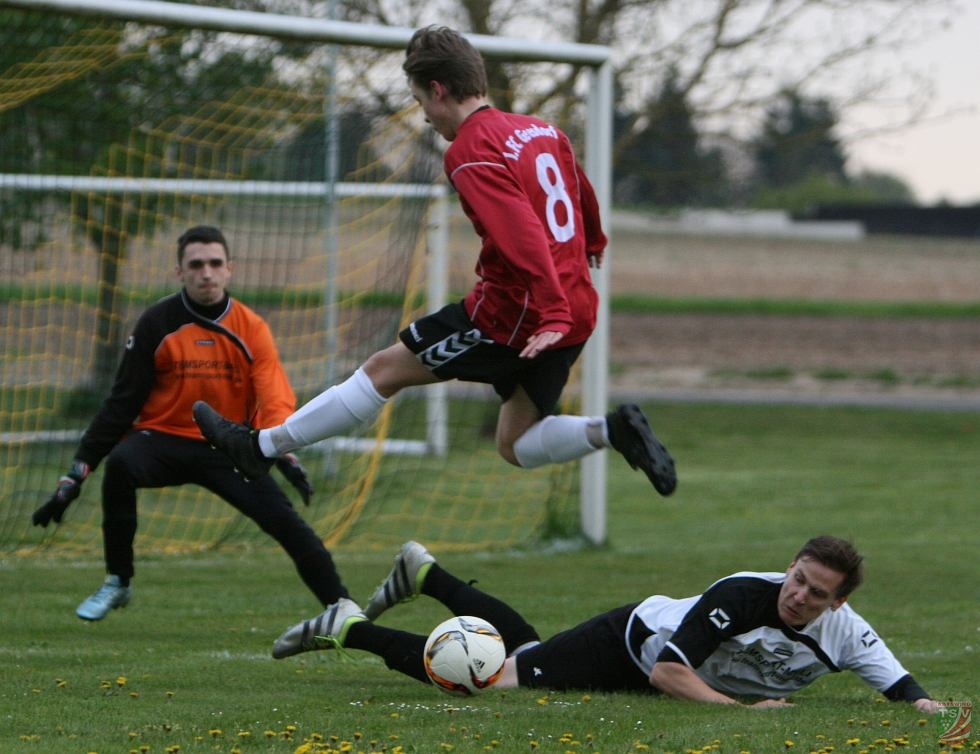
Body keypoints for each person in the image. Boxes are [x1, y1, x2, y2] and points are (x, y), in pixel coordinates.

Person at [191, 25, 676, 497]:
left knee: (383, 371)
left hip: (518, 315)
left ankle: (260, 446)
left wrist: (548, 309)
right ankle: (612, 431)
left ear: (439, 90)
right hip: (575, 310)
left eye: (421, 102)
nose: (425, 117)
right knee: (516, 443)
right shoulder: (540, 130)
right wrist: (592, 240)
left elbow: (520, 232)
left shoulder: (471, 150)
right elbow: (578, 184)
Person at [31, 225, 350, 621]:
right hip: (162, 440)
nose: (207, 273)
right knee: (121, 465)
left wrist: (284, 454)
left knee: (286, 523)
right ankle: (118, 581)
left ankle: (341, 607)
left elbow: (274, 398)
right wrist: (75, 474)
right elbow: (121, 404)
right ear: (179, 272)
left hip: (229, 447)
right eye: (196, 264)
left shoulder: (252, 329)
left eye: (215, 263)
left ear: (230, 269)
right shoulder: (156, 323)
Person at [270, 537, 940, 713]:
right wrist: (741, 713)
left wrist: (948, 722)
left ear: (838, 603)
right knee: (487, 678)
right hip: (631, 644)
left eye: (816, 593)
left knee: (526, 653)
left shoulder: (849, 635)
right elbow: (667, 671)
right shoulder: (741, 595)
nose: (797, 595)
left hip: (655, 663)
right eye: (797, 578)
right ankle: (348, 627)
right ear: (790, 566)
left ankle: (427, 577)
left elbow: (908, 691)